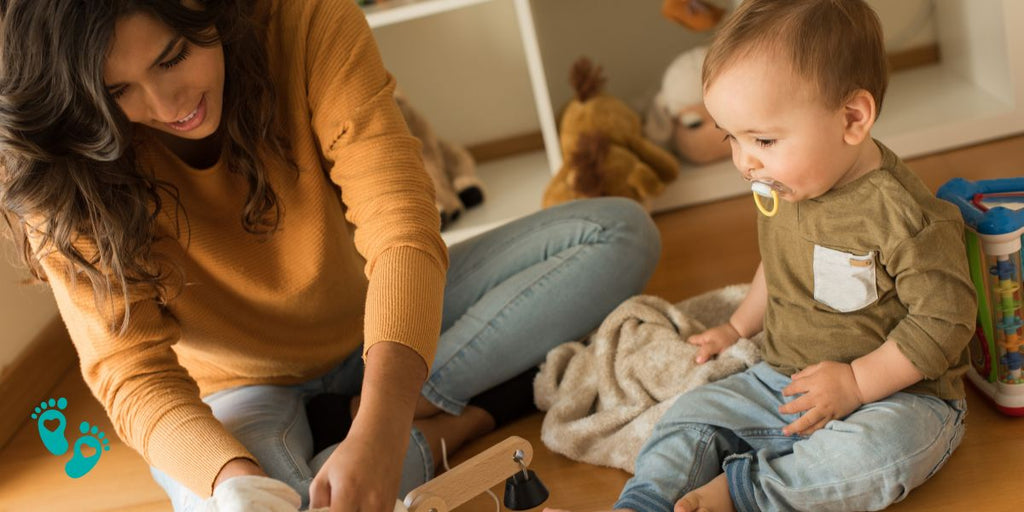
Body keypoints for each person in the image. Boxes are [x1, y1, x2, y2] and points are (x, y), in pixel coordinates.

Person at [0, 0, 661, 511]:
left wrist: (378, 425)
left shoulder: (305, 19)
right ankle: (459, 415)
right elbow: (130, 370)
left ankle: (401, 415)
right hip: (241, 386)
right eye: (120, 93)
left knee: (620, 233)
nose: (168, 105)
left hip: (379, 312)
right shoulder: (62, 161)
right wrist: (228, 477)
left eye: (173, 56)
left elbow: (402, 226)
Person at [550, 1, 977, 511]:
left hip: (897, 395)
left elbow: (945, 318)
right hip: (784, 380)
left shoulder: (905, 218)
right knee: (690, 417)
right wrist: (736, 328)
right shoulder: (786, 185)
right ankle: (646, 503)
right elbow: (779, 267)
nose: (745, 162)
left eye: (765, 139)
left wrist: (858, 383)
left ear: (852, 118)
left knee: (882, 454)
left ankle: (743, 493)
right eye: (732, 137)